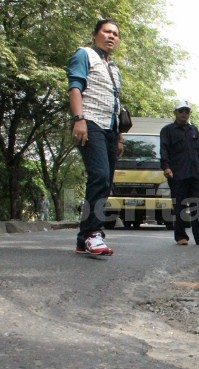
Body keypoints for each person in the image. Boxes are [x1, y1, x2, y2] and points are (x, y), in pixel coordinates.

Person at [68, 19, 125, 256]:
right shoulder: (84, 54)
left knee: (105, 182)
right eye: (106, 31)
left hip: (111, 129)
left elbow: (117, 104)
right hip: (90, 122)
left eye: (115, 34)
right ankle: (93, 234)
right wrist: (79, 118)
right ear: (95, 35)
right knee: (99, 176)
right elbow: (75, 88)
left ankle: (83, 239)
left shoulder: (114, 68)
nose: (111, 36)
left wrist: (119, 137)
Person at [160, 100, 199, 247]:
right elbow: (164, 150)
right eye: (181, 111)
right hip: (177, 174)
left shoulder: (193, 130)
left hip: (194, 173)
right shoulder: (167, 130)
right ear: (175, 113)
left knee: (197, 205)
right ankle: (180, 236)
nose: (184, 114)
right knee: (180, 206)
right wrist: (166, 167)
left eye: (187, 111)